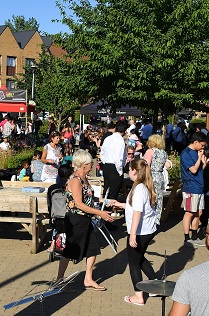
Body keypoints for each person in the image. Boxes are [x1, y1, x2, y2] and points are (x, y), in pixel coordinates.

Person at [54, 149, 115, 291]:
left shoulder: (84, 178)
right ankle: (59, 280)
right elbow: (79, 204)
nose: (92, 165)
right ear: (83, 165)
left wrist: (106, 201)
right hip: (76, 220)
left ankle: (88, 278)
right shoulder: (75, 180)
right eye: (90, 163)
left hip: (86, 219)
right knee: (70, 250)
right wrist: (100, 213)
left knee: (93, 248)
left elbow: (88, 198)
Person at [107, 158, 159, 306]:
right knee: (139, 258)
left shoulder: (139, 189)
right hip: (148, 230)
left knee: (134, 263)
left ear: (135, 171)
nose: (128, 172)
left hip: (140, 231)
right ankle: (155, 284)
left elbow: (137, 212)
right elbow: (134, 206)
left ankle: (138, 296)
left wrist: (133, 234)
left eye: (129, 169)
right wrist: (120, 204)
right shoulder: (143, 186)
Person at [181, 133, 208, 247]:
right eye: (202, 145)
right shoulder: (186, 153)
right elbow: (193, 170)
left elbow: (200, 169)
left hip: (199, 186)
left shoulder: (197, 152)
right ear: (195, 142)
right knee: (189, 212)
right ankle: (187, 238)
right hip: (191, 187)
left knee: (198, 212)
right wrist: (199, 158)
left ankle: (194, 237)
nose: (203, 147)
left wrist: (204, 163)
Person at [142, 134, 170, 223]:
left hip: (151, 176)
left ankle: (148, 219)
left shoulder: (150, 151)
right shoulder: (163, 153)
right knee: (158, 198)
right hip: (160, 176)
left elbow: (146, 165)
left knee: (149, 198)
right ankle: (156, 219)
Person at [100, 121, 127, 201]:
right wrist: (120, 171)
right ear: (124, 131)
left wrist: (105, 162)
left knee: (106, 192)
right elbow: (118, 158)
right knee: (113, 194)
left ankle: (105, 207)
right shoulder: (120, 140)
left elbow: (102, 153)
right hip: (115, 167)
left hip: (107, 166)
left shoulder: (108, 138)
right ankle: (109, 208)